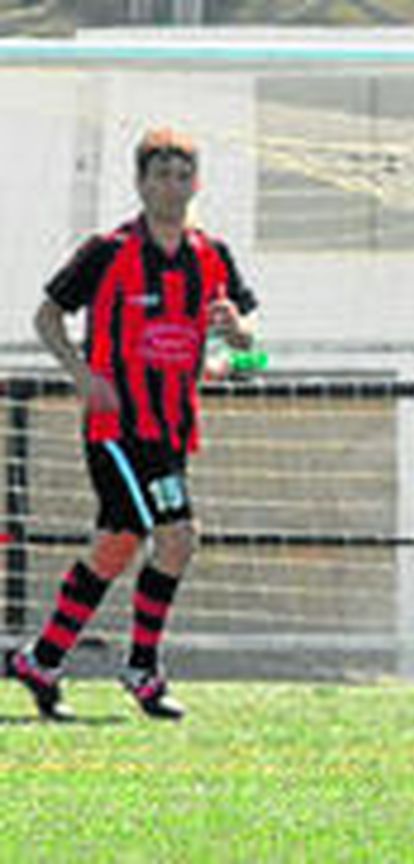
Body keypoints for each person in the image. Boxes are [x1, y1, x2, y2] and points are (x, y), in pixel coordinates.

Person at [8, 127, 259, 722]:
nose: (173, 186)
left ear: (196, 183)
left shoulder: (213, 256)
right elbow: (46, 317)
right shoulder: (108, 249)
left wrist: (235, 342)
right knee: (177, 536)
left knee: (117, 545)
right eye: (161, 175)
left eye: (182, 175)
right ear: (141, 183)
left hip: (174, 429)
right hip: (118, 429)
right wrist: (81, 373)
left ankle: (41, 660)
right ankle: (143, 669)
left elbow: (251, 350)